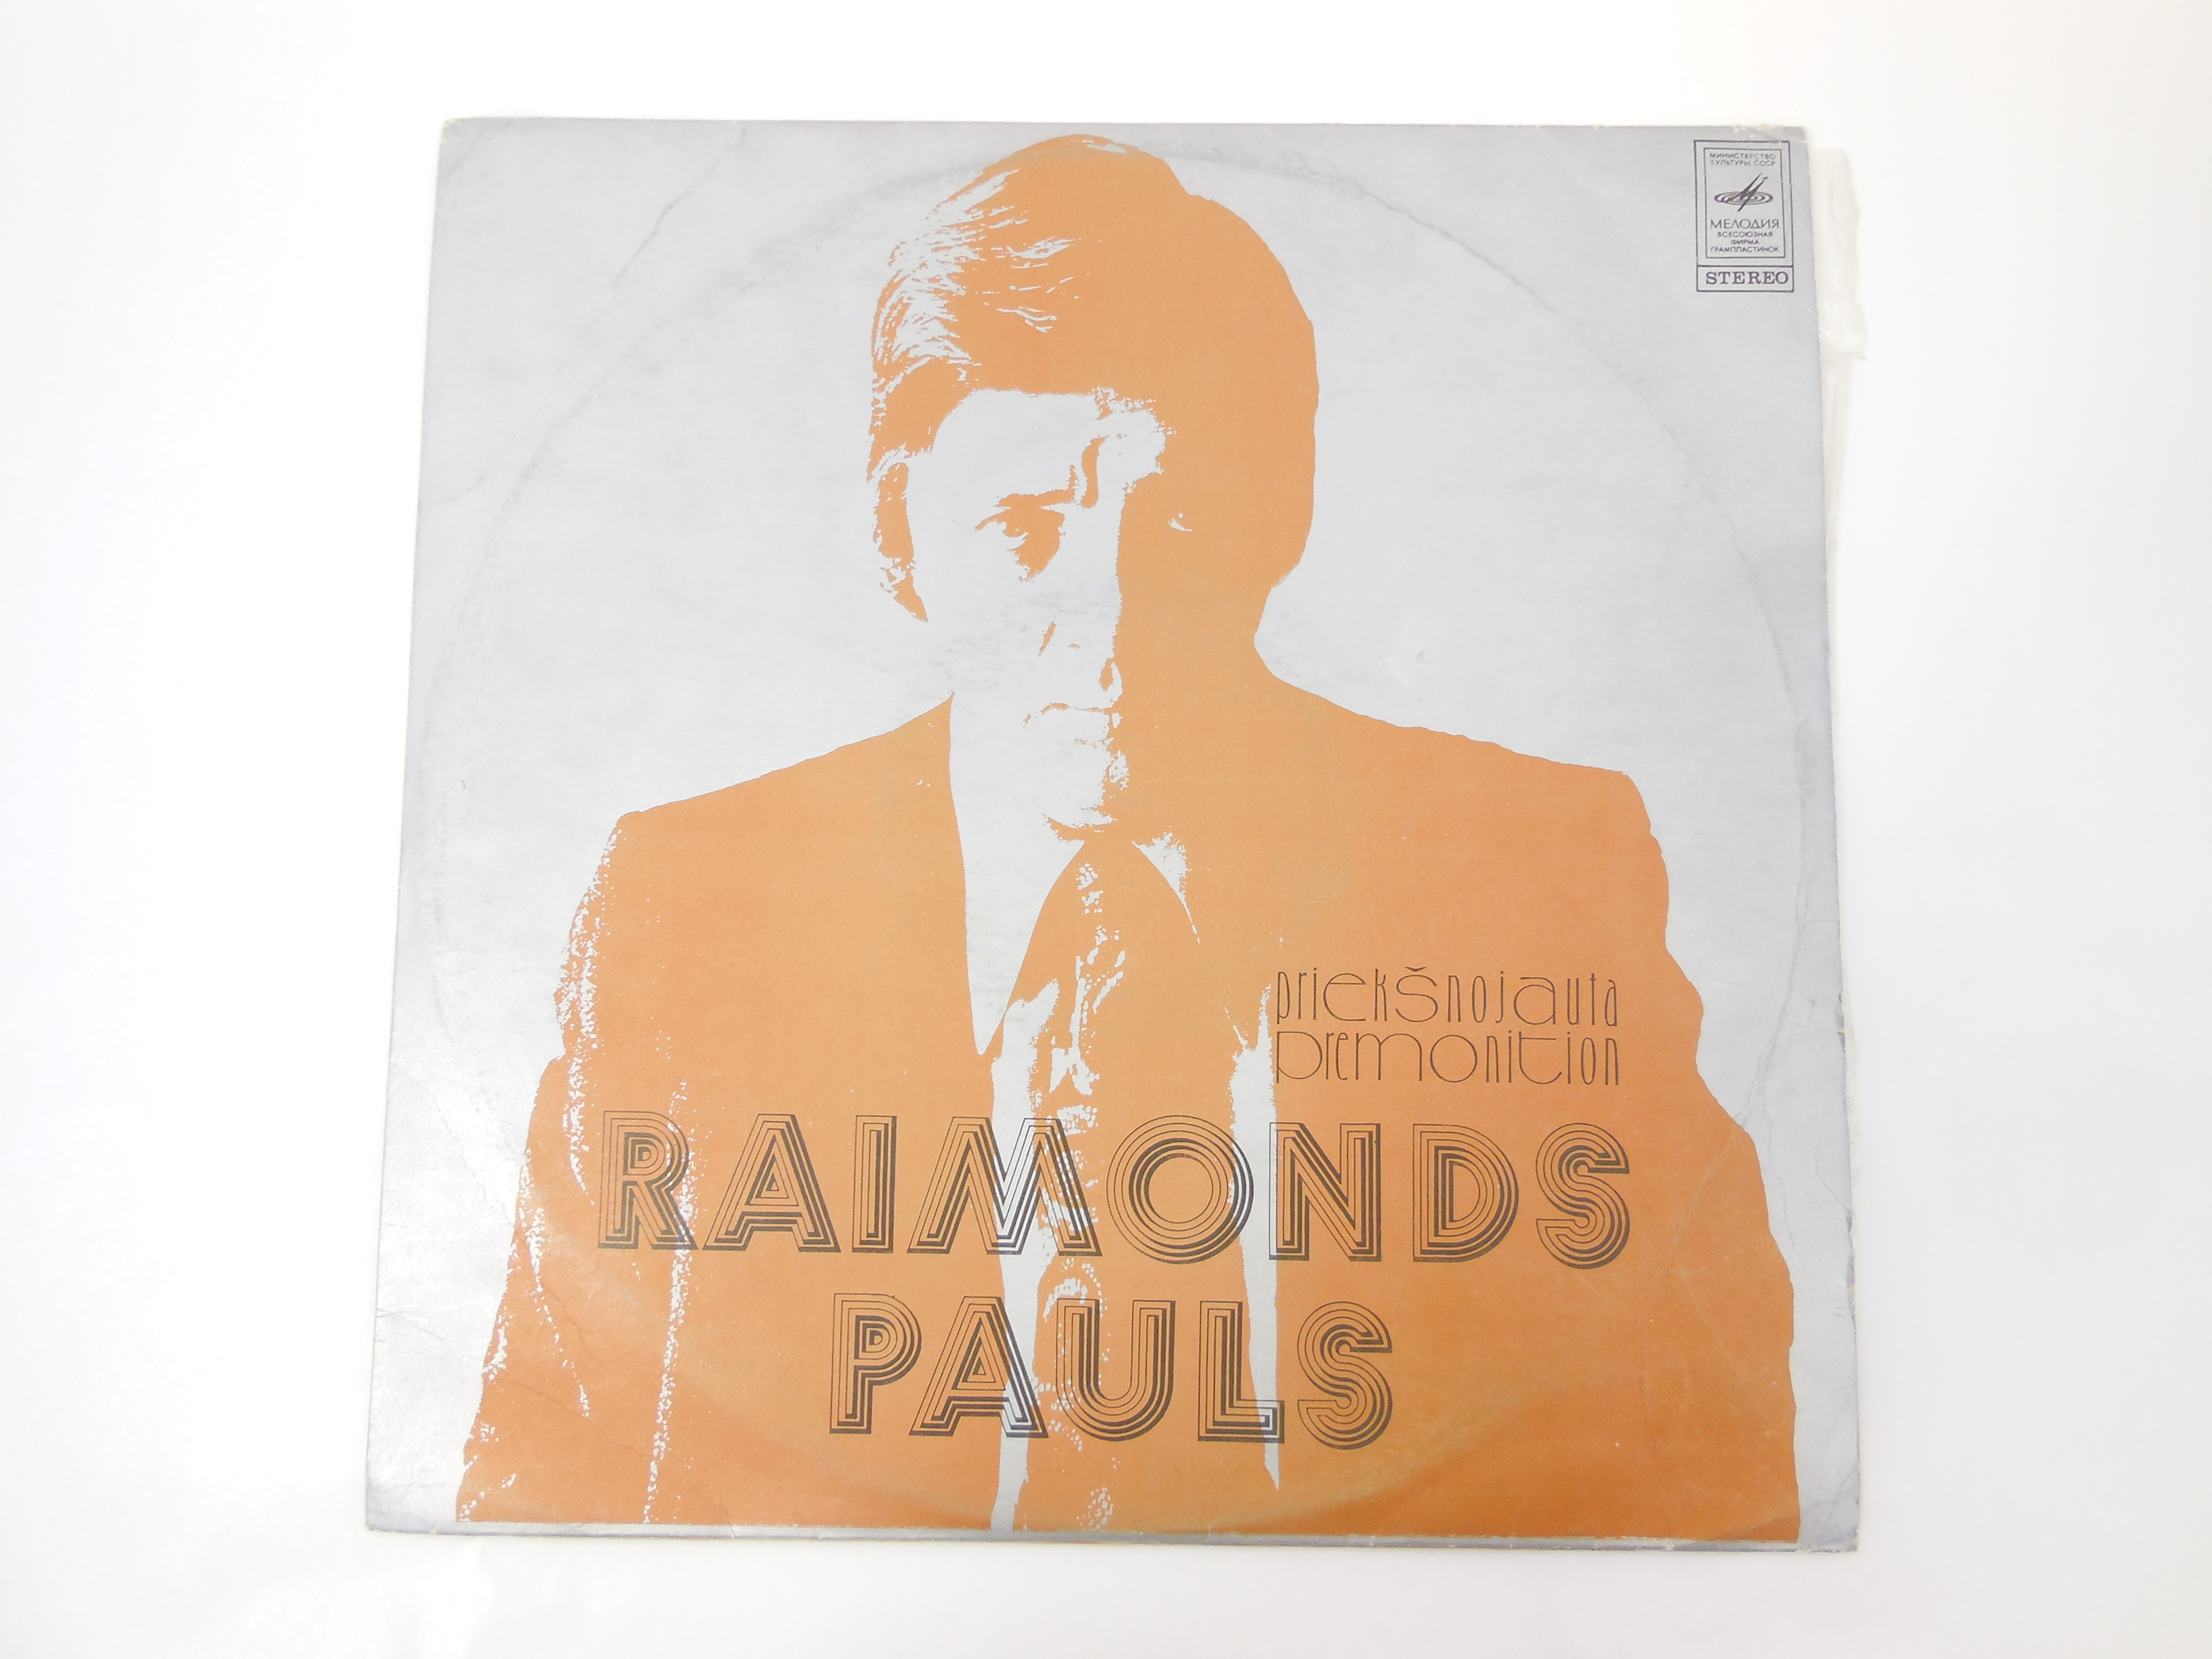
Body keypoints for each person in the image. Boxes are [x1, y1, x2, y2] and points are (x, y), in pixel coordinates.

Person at [457, 134, 1799, 1541]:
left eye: (1182, 521)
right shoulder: (690, 903)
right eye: (1024, 527)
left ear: (1284, 514)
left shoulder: (1538, 863)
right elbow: (547, 1478)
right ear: (900, 534)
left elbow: (1713, 1447)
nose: (1104, 609)